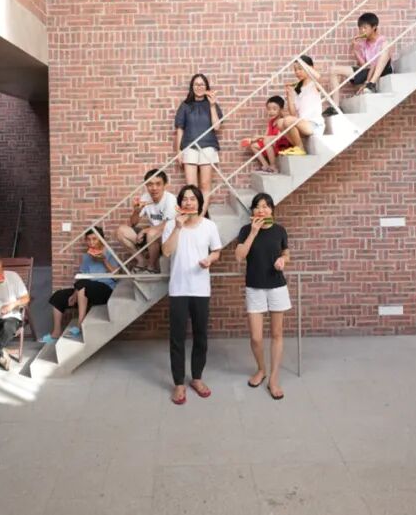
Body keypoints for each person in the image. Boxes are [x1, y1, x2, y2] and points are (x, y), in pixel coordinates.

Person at [161, 184, 222, 405]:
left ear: (199, 203)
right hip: (178, 289)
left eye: (192, 199)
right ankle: (179, 383)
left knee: (200, 335)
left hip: (200, 289)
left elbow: (217, 251)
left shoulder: (209, 226)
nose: (188, 202)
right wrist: (178, 227)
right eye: (184, 199)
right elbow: (166, 252)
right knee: (177, 337)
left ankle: (197, 378)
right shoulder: (171, 225)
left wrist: (210, 259)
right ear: (180, 204)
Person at [234, 193, 291, 400]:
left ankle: (274, 378)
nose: (262, 210)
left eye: (266, 206)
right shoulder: (245, 230)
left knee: (277, 334)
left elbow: (286, 253)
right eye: (258, 206)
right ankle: (261, 369)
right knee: (256, 337)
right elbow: (239, 256)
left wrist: (283, 260)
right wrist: (253, 232)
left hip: (277, 287)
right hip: (254, 287)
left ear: (272, 209)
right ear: (253, 211)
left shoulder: (280, 230)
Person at [41, 227, 120, 343]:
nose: (91, 242)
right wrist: (75, 293)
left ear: (101, 239)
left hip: (105, 290)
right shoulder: (87, 256)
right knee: (58, 296)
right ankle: (56, 332)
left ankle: (80, 325)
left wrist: (104, 261)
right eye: (88, 239)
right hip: (86, 289)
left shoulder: (109, 253)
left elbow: (117, 277)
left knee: (84, 284)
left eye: (94, 239)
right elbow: (82, 277)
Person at [174, 73, 223, 209]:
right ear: (192, 87)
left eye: (202, 84)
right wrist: (178, 151)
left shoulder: (212, 104)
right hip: (189, 147)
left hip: (208, 147)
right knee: (191, 187)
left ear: (206, 87)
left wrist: (212, 105)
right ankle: (193, 214)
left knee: (205, 185)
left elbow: (217, 127)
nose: (199, 87)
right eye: (196, 84)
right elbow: (180, 129)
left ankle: (201, 215)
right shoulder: (185, 105)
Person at [327, 12, 393, 110]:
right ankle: (335, 107)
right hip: (370, 71)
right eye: (360, 28)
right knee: (333, 70)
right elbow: (365, 65)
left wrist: (367, 82)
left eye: (365, 28)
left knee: (385, 47)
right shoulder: (364, 44)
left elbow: (377, 63)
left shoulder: (382, 41)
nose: (362, 31)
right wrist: (355, 50)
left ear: (374, 27)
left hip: (383, 70)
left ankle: (372, 84)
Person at [116, 168, 176, 273]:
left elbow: (166, 224)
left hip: (166, 237)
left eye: (158, 184)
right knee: (121, 231)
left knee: (152, 233)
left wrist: (145, 231)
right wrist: (136, 211)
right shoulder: (145, 197)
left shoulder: (170, 199)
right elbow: (133, 223)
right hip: (151, 236)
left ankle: (152, 267)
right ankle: (142, 261)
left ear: (165, 185)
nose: (154, 188)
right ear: (146, 185)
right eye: (150, 184)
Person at [275, 55, 324, 154]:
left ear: (310, 68)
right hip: (302, 125)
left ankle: (300, 149)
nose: (297, 72)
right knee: (280, 122)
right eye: (295, 70)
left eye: (300, 69)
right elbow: (293, 114)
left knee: (288, 120)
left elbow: (319, 77)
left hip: (314, 125)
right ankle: (298, 147)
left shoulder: (314, 84)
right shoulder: (298, 90)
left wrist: (303, 63)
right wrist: (289, 96)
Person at [244, 95, 293, 173]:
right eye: (269, 109)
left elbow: (278, 137)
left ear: (281, 110)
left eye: (274, 109)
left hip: (281, 145)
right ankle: (265, 165)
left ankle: (273, 166)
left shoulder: (282, 121)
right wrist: (254, 139)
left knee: (266, 140)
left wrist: (260, 137)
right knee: (253, 145)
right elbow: (266, 136)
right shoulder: (271, 122)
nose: (271, 111)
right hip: (270, 144)